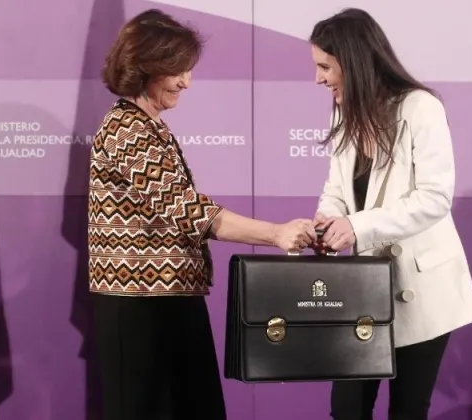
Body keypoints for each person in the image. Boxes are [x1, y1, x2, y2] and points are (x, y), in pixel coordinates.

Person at [87, 9, 317, 420]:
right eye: (176, 71)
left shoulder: (149, 126)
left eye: (188, 70)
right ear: (144, 67)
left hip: (168, 299)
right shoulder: (128, 129)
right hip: (139, 306)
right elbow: (188, 210)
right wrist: (276, 234)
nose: (186, 82)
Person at [309, 8, 472, 420]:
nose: (318, 78)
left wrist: (355, 226)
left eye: (325, 67)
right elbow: (337, 189)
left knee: (408, 408)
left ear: (353, 61)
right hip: (365, 289)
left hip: (421, 287)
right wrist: (326, 221)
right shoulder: (343, 110)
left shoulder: (420, 107)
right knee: (347, 409)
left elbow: (434, 198)